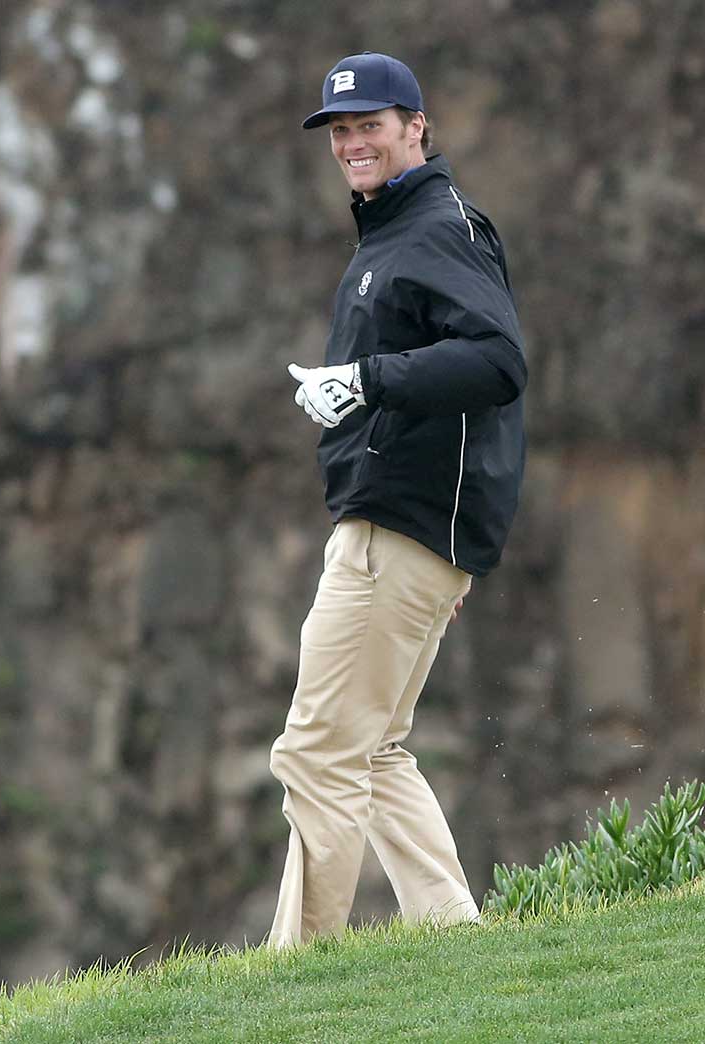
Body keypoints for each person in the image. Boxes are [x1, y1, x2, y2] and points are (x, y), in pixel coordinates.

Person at [270, 51, 528, 947]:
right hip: (408, 533)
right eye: (340, 130)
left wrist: (368, 381)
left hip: (397, 533)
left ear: (417, 127)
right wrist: (351, 386)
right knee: (372, 750)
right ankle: (451, 937)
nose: (352, 143)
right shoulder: (393, 231)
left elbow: (499, 364)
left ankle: (295, 970)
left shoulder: (436, 228)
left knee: (318, 754)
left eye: (370, 125)